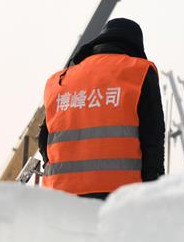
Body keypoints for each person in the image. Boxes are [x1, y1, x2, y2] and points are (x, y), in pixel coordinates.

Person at [38, 18, 165, 199]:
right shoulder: (139, 71)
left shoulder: (60, 80)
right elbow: (152, 138)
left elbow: (44, 138)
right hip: (121, 195)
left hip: (61, 195)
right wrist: (154, 191)